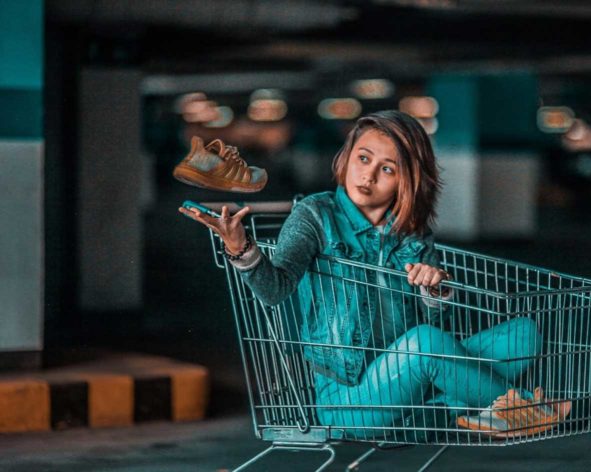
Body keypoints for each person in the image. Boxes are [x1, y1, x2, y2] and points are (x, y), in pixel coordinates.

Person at [179, 110, 570, 439]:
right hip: (350, 400)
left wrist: (435, 290)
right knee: (424, 345)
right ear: (347, 157)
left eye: (387, 169)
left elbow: (437, 322)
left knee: (522, 333)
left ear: (409, 181)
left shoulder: (413, 232)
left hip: (410, 379)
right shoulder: (315, 216)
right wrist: (241, 249)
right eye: (363, 159)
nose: (367, 176)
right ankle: (516, 408)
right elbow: (275, 290)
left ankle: (484, 402)